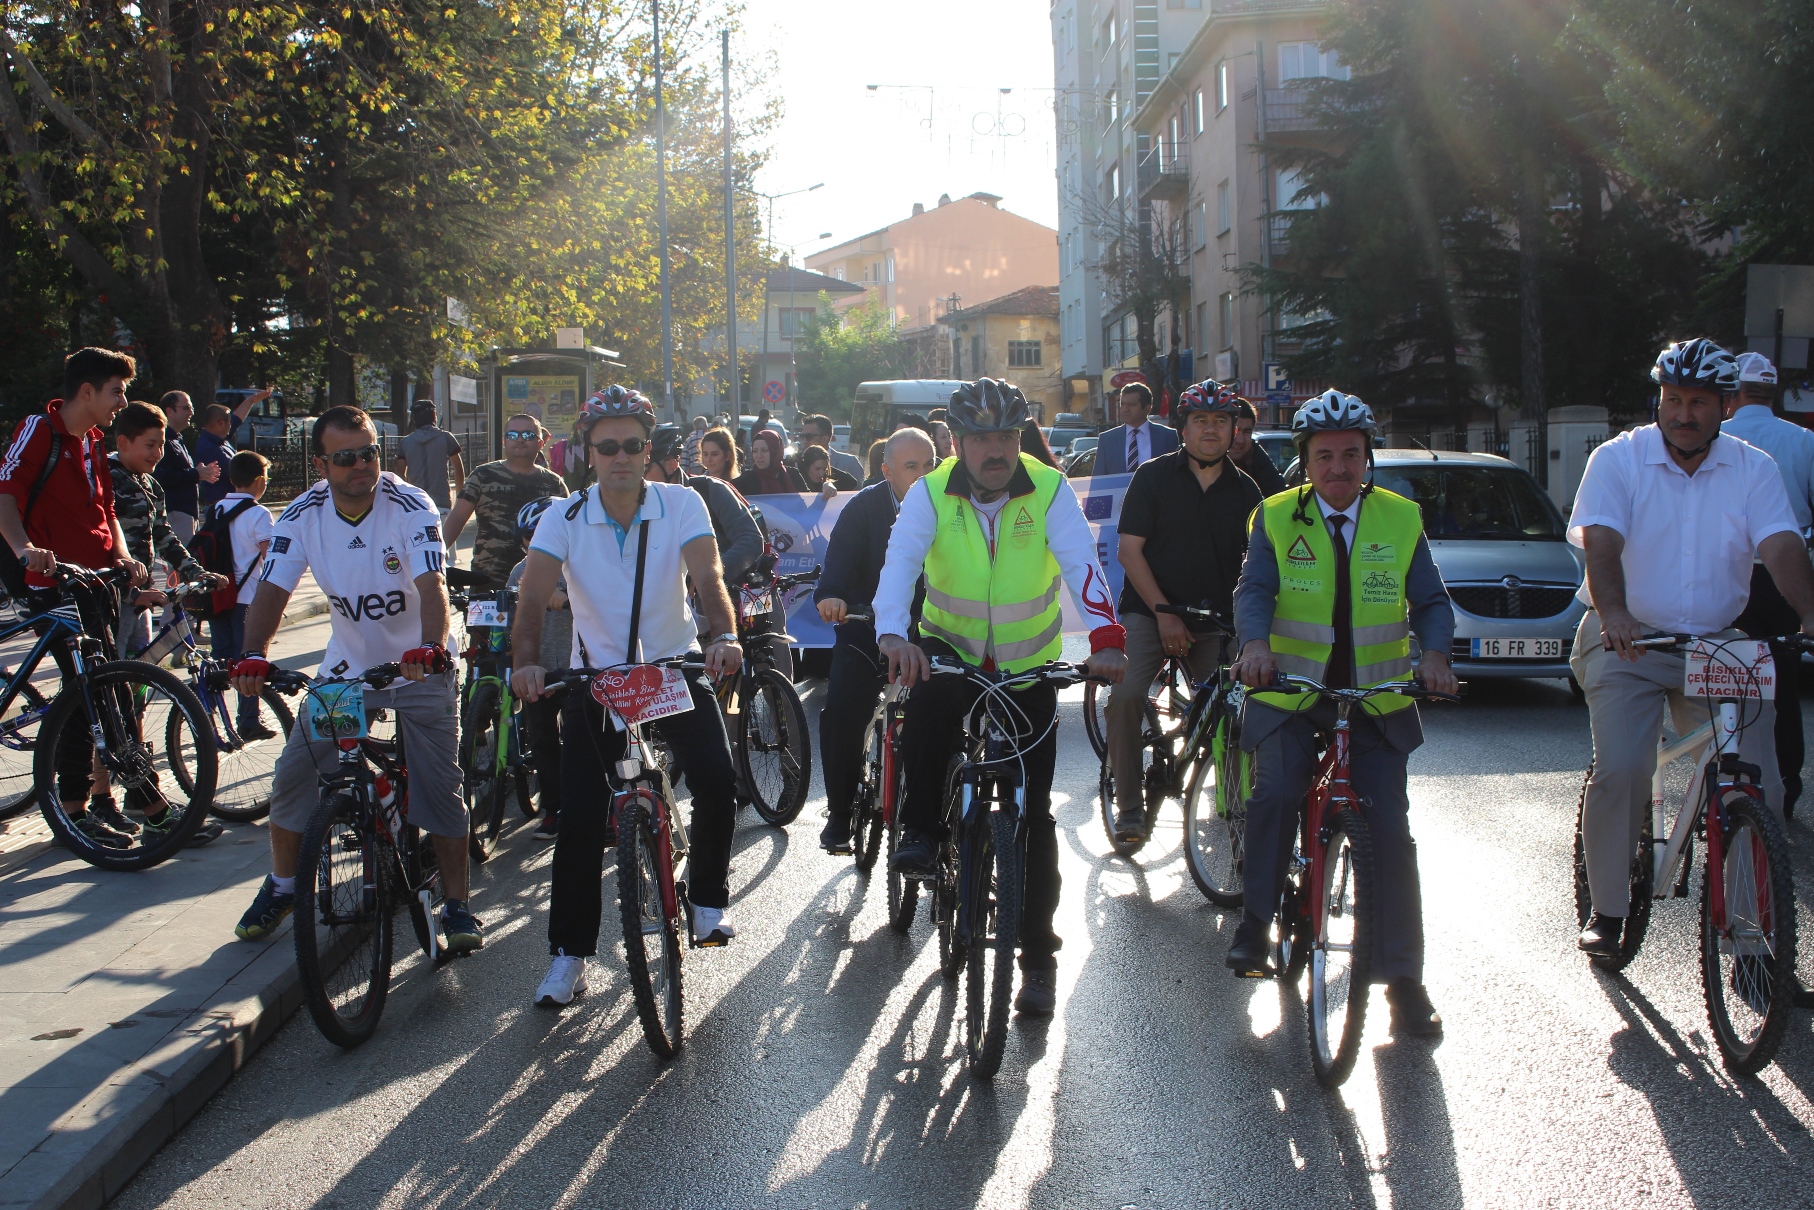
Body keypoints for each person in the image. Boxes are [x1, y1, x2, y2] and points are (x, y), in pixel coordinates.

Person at [876, 378, 1127, 1016]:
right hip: (948, 648)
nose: (996, 450)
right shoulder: (931, 493)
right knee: (928, 707)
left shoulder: (1046, 490)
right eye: (982, 438)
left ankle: (1038, 959)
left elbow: (1082, 564)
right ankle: (924, 831)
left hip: (1027, 663)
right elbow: (899, 565)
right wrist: (892, 635)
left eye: (1007, 437)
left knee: (1034, 818)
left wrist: (1106, 636)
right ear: (956, 443)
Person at [1569, 339, 1814, 967]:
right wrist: (1616, 612)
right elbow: (1602, 544)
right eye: (1672, 400)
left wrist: (1810, 611)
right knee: (1622, 767)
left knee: (1755, 778)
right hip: (1628, 638)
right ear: (1659, 399)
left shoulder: (1752, 467)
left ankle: (1750, 929)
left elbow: (1783, 546)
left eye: (1698, 402)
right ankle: (1609, 906)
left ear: (1725, 405)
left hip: (1715, 642)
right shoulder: (1617, 459)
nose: (1683, 413)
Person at [1226, 389, 1456, 1037]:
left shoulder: (1399, 519)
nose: (1338, 468)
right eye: (1324, 456)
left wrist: (1436, 655)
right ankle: (1256, 926)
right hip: (1292, 694)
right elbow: (1255, 592)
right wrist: (1255, 646)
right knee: (1273, 793)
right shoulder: (1275, 518)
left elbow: (1432, 602)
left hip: (1376, 701)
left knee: (1389, 833)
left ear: (1367, 459)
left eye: (1351, 455)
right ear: (1305, 461)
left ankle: (1403, 980)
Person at [509, 386, 746, 1007]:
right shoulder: (563, 517)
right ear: (587, 453)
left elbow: (708, 576)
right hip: (599, 680)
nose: (621, 456)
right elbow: (532, 597)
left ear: (648, 452)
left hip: (672, 669)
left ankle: (705, 901)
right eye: (607, 445)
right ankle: (569, 956)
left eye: (633, 445)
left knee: (720, 784)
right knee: (581, 819)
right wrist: (528, 664)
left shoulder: (682, 503)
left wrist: (724, 636)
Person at [227, 407, 477, 955]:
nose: (362, 465)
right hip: (346, 671)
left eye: (369, 453)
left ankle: (456, 904)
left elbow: (432, 584)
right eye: (346, 458)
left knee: (439, 788)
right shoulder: (301, 515)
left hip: (419, 665)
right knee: (294, 777)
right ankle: (284, 885)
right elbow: (273, 590)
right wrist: (252, 654)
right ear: (321, 465)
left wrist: (431, 648)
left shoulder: (409, 504)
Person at [0, 352, 153, 851]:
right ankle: (73, 812)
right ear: (86, 392)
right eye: (117, 392)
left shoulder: (93, 442)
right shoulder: (39, 430)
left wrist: (125, 557)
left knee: (96, 689)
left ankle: (100, 803)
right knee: (82, 692)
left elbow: (106, 511)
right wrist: (25, 548)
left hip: (94, 581)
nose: (123, 403)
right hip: (51, 582)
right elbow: (5, 494)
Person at [1106, 380, 1262, 844]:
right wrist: (1165, 614)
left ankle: (1234, 805)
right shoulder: (1152, 478)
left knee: (1237, 705)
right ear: (1183, 429)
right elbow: (1129, 552)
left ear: (1234, 429)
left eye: (1220, 421)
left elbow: (1258, 566)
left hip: (1216, 619)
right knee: (1127, 694)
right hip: (1150, 613)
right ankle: (1129, 805)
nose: (1210, 430)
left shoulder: (1246, 491)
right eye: (1200, 421)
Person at [813, 427, 938, 853]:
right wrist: (831, 596)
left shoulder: (953, 507)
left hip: (931, 634)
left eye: (930, 465)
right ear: (886, 472)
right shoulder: (862, 509)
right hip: (867, 629)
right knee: (842, 711)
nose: (923, 475)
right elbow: (838, 565)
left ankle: (934, 820)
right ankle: (841, 812)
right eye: (911, 467)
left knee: (943, 717)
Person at [1723, 351, 1814, 818]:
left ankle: (1727, 777)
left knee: (1723, 676)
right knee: (1781, 684)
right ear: (1771, 391)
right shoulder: (1803, 441)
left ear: (1731, 393)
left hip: (1731, 576)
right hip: (1784, 574)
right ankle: (1786, 786)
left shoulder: (1719, 439)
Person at [107, 402, 217, 657]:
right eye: (150, 445)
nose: (158, 453)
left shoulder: (152, 485)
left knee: (141, 666)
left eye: (161, 445)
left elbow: (164, 536)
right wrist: (128, 592)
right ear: (123, 443)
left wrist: (196, 572)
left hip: (141, 595)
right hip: (113, 597)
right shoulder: (106, 477)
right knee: (112, 671)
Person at [505, 496, 568, 840]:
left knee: (580, 738)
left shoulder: (579, 567)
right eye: (528, 538)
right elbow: (509, 613)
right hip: (538, 669)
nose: (535, 544)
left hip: (575, 666)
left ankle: (589, 803)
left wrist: (567, 598)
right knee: (543, 739)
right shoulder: (520, 571)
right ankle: (554, 808)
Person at [442, 413, 566, 588]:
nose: (520, 440)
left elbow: (568, 529)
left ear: (540, 443)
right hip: (487, 579)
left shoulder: (554, 483)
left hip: (539, 581)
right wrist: (436, 554)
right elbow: (458, 517)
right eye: (513, 435)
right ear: (504, 441)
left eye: (528, 435)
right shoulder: (482, 475)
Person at [645, 422, 766, 591]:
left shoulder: (711, 490)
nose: (639, 476)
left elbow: (751, 539)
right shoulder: (641, 502)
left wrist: (711, 576)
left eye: (646, 467)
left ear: (671, 465)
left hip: (730, 595)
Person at [208, 452, 277, 737]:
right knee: (247, 660)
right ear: (260, 480)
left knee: (220, 661)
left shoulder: (215, 509)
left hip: (218, 597)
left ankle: (204, 717)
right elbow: (270, 555)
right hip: (247, 598)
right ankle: (248, 721)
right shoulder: (259, 513)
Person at [151, 390, 220, 542]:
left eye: (192, 408)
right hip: (175, 513)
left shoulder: (177, 439)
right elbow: (162, 476)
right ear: (169, 411)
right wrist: (196, 474)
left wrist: (200, 474)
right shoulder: (163, 441)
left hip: (187, 513)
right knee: (182, 563)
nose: (191, 412)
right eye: (186, 408)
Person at [195, 388, 271, 512]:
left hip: (228, 505)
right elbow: (236, 472)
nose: (232, 425)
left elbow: (237, 418)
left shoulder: (219, 438)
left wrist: (251, 400)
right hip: (220, 508)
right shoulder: (209, 448)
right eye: (229, 422)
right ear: (221, 424)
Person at [393, 400, 465, 513]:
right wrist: (459, 499)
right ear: (434, 416)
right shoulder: (446, 438)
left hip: (415, 503)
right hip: (441, 502)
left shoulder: (405, 442)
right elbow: (458, 469)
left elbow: (399, 474)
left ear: (414, 419)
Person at [1095, 381, 1180, 475]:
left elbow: (1175, 476)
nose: (1125, 409)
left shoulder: (1167, 437)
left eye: (1131, 405)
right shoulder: (1107, 440)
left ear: (1147, 409)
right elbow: (1097, 482)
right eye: (1122, 404)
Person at [1231, 399, 1288, 495]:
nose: (1240, 440)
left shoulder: (1259, 461)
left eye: (1246, 432)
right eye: (1235, 431)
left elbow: (1278, 494)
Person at [735, 428, 806, 495]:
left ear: (776, 451)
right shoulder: (746, 480)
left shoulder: (793, 475)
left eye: (764, 450)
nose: (759, 456)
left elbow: (807, 502)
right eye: (755, 451)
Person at [799, 413, 866, 483]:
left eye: (808, 437)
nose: (804, 441)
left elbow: (859, 492)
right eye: (802, 436)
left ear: (824, 439)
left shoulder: (849, 463)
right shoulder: (797, 462)